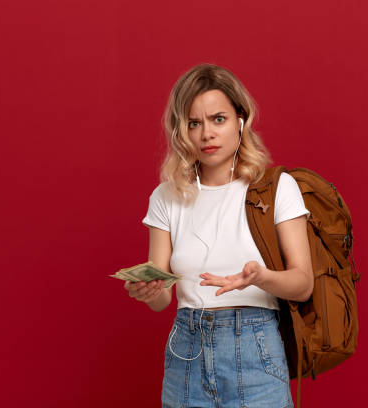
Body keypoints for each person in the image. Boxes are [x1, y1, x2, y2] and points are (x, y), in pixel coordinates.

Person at [124, 63, 314, 408]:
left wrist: (262, 277)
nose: (206, 134)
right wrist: (149, 291)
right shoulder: (166, 197)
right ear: (181, 131)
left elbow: (303, 283)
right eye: (194, 123)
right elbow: (163, 298)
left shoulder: (275, 189)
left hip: (256, 347)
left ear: (241, 120)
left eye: (218, 119)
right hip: (186, 351)